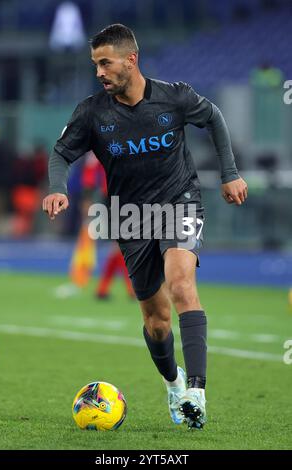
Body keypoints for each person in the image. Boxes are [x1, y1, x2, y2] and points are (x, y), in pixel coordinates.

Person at [43, 24, 248, 429]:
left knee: (182, 285)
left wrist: (230, 173)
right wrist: (56, 189)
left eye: (105, 63)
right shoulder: (91, 112)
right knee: (156, 321)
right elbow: (60, 153)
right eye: (95, 65)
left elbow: (215, 117)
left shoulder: (175, 97)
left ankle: (198, 394)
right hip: (130, 218)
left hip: (180, 203)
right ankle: (175, 385)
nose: (99, 72)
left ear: (131, 59)